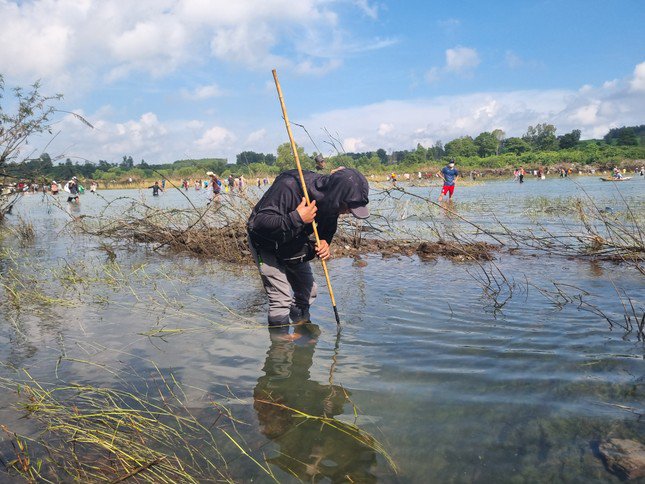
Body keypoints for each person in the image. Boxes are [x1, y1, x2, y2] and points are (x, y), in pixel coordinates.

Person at [247, 167, 370, 327]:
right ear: (338, 196)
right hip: (265, 243)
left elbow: (328, 227)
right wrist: (296, 218)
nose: (347, 212)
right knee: (281, 299)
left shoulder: (333, 201)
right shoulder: (289, 186)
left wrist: (325, 242)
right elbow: (258, 223)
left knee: (308, 291)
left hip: (293, 243)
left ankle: (301, 326)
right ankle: (280, 346)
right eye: (348, 207)